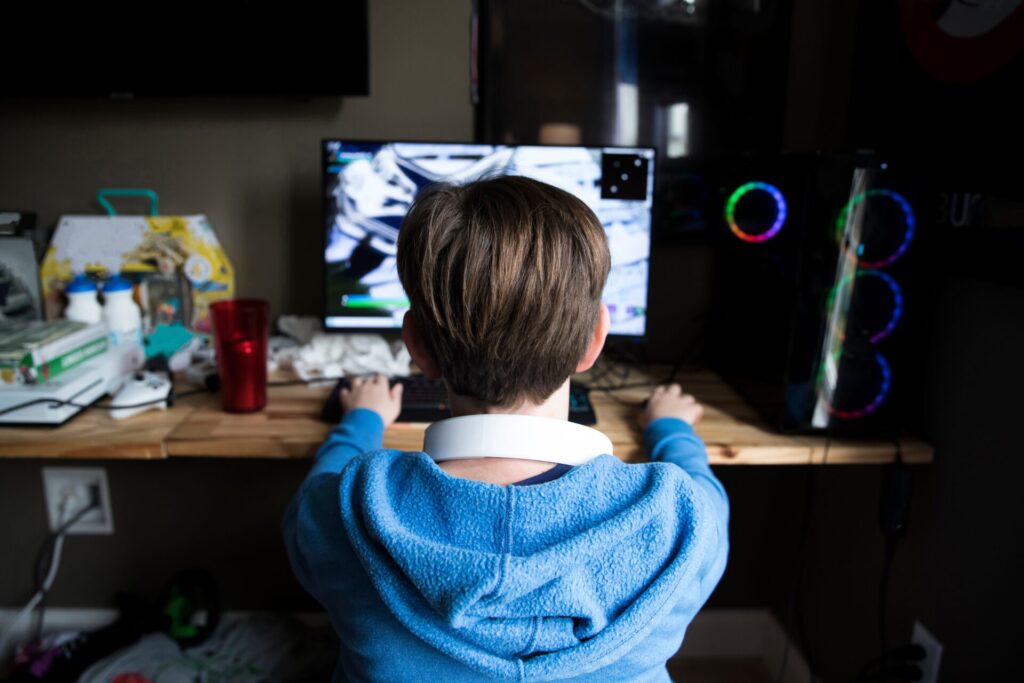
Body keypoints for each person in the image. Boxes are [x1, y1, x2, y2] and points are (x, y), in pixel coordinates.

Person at [283, 175, 729, 682]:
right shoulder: (683, 522)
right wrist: (672, 429)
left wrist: (361, 420)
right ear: (595, 339)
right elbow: (709, 495)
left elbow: (310, 506)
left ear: (416, 346)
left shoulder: (345, 512)